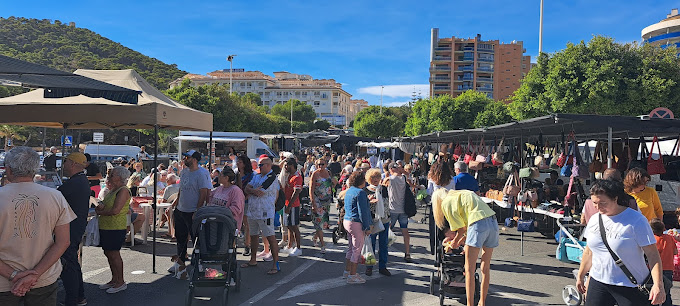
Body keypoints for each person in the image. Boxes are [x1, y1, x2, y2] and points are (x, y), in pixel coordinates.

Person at [0, 147, 75, 305]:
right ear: (35, 170)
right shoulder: (55, 196)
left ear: (8, 170)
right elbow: (63, 242)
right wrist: (35, 274)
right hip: (43, 279)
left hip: (3, 284)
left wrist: (14, 275)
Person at [576, 180, 665, 306]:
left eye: (603, 203)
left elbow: (653, 255)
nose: (598, 207)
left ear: (615, 199)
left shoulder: (636, 220)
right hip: (599, 282)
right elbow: (589, 251)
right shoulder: (595, 219)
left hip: (630, 284)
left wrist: (658, 285)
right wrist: (581, 275)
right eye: (595, 203)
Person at [432, 188, 499, 306]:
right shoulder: (462, 194)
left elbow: (461, 229)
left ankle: (470, 304)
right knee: (485, 267)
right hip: (492, 222)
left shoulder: (446, 203)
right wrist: (461, 241)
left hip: (477, 224)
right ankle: (482, 302)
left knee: (469, 270)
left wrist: (454, 243)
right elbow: (467, 228)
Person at [169, 150, 212, 274]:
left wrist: (198, 210)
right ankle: (180, 262)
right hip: (181, 209)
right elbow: (181, 189)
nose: (184, 159)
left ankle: (200, 263)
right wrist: (175, 204)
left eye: (186, 157)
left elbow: (204, 192)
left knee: (196, 238)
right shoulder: (184, 172)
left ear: (194, 159)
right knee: (180, 238)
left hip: (193, 210)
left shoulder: (201, 173)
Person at [58, 153, 91, 306]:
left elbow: (55, 196)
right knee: (72, 262)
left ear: (72, 163)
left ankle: (72, 300)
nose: (63, 164)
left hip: (70, 228)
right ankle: (79, 296)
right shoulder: (80, 181)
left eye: (65, 161)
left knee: (68, 264)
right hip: (75, 227)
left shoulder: (76, 182)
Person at [95, 166, 131, 294]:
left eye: (112, 174)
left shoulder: (123, 190)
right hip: (106, 226)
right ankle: (114, 279)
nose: (109, 176)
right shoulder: (113, 189)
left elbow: (116, 210)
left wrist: (102, 211)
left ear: (120, 177)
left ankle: (120, 281)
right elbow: (107, 205)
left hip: (115, 227)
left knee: (114, 254)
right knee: (108, 252)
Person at [241, 157, 281, 275]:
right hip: (253, 211)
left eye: (261, 165)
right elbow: (247, 188)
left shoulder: (272, 178)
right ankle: (253, 259)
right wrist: (252, 190)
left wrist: (252, 190)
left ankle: (275, 264)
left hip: (265, 212)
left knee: (270, 236)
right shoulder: (257, 176)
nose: (259, 168)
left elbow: (260, 192)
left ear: (268, 165)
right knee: (253, 235)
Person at [342, 171, 372, 284]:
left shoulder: (349, 191)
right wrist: (367, 226)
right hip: (356, 222)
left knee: (351, 248)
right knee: (357, 249)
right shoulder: (360, 193)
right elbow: (363, 212)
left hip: (347, 220)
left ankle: (347, 271)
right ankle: (353, 275)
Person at [364, 169, 391, 277]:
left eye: (377, 177)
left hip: (384, 219)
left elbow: (387, 203)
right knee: (371, 244)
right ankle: (369, 267)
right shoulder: (365, 191)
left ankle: (383, 266)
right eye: (373, 178)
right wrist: (369, 201)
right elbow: (364, 206)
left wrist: (389, 218)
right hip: (372, 221)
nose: (375, 180)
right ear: (369, 179)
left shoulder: (384, 189)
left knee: (384, 244)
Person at [384, 162, 413, 263]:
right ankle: (407, 253)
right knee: (405, 231)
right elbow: (408, 177)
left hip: (392, 209)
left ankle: (384, 251)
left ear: (390, 169)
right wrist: (401, 170)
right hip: (403, 209)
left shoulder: (389, 179)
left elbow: (381, 187)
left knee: (387, 231)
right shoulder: (404, 178)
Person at [207, 167, 245, 233]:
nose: (218, 177)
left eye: (220, 175)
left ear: (226, 178)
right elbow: (210, 198)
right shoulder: (219, 188)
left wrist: (219, 211)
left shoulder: (235, 191)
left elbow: (236, 209)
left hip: (228, 225)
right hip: (215, 223)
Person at [309, 158, 335, 254]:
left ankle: (315, 237)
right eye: (319, 164)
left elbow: (331, 184)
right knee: (319, 221)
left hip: (326, 201)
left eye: (322, 164)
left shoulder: (328, 172)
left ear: (326, 164)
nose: (320, 166)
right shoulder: (315, 174)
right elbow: (311, 189)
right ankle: (323, 244)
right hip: (317, 200)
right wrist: (313, 203)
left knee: (324, 223)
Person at [650, 218, 676, 306]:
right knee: (667, 291)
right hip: (669, 268)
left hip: (654, 269)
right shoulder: (669, 238)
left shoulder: (652, 240)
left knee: (653, 290)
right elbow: (675, 252)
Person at [280, 158, 303, 257]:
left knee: (294, 226)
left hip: (293, 205)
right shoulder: (289, 176)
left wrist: (289, 206)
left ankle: (298, 247)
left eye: (287, 165)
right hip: (286, 203)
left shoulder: (297, 177)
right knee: (288, 226)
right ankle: (290, 245)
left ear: (292, 165)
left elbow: (296, 192)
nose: (285, 167)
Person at [236, 155, 255, 256]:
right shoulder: (235, 174)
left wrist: (245, 198)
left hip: (247, 201)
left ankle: (247, 245)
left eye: (240, 162)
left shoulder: (251, 175)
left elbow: (252, 188)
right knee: (238, 224)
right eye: (237, 161)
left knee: (247, 224)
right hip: (237, 202)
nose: (238, 163)